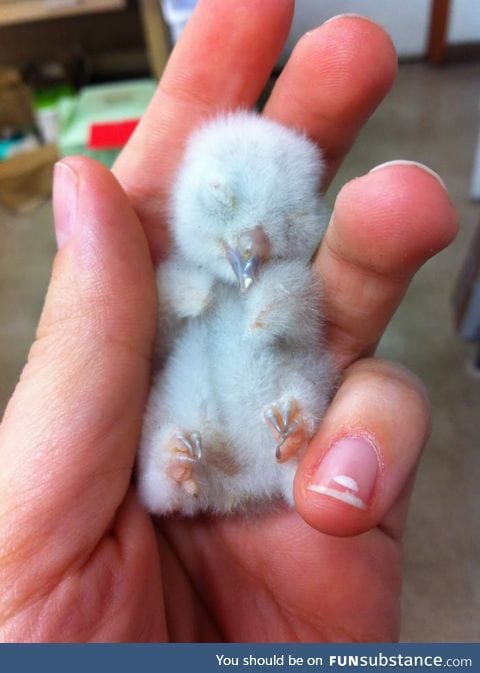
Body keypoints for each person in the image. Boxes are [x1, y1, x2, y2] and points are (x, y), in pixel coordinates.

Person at [0, 2, 458, 642]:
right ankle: (181, 464)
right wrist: (183, 300)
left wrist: (275, 306)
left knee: (297, 383)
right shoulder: (174, 279)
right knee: (178, 406)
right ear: (196, 198)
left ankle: (284, 442)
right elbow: (158, 342)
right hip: (197, 426)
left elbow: (297, 325)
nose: (252, 245)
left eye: (284, 225)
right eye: (227, 209)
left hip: (262, 444)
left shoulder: (291, 280)